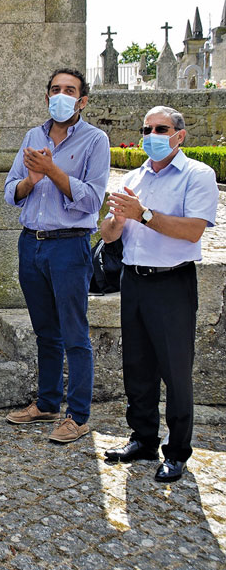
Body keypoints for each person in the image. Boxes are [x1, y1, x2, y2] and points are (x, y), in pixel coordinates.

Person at [100, 106, 218, 482]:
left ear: (179, 135)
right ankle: (143, 438)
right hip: (133, 281)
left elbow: (193, 231)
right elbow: (109, 235)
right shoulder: (133, 177)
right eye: (146, 128)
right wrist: (115, 221)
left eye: (160, 128)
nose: (151, 134)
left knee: (175, 369)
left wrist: (143, 214)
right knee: (137, 366)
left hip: (172, 282)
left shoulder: (198, 175)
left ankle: (178, 451)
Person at [2, 68, 110, 443]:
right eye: (54, 89)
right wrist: (31, 180)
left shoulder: (96, 140)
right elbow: (9, 190)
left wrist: (52, 170)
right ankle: (47, 402)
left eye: (69, 90)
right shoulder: (34, 135)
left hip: (69, 244)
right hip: (31, 242)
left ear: (82, 100)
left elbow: (94, 200)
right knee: (45, 331)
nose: (60, 95)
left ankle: (78, 415)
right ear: (46, 96)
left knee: (74, 333)